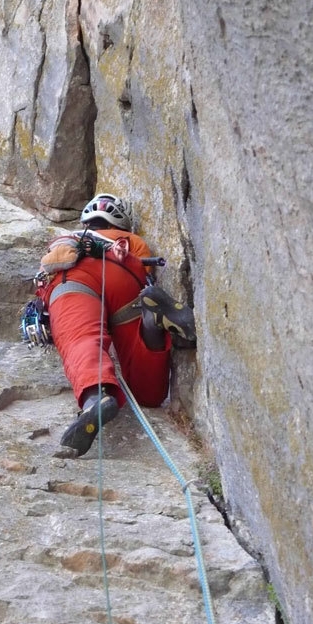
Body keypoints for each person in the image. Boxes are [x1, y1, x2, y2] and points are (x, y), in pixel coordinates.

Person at [36, 193, 196, 457]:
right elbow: (143, 274)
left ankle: (95, 400)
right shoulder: (134, 243)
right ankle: (152, 324)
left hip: (76, 280)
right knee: (149, 395)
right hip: (125, 279)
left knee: (81, 338)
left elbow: (52, 267)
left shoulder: (70, 238)